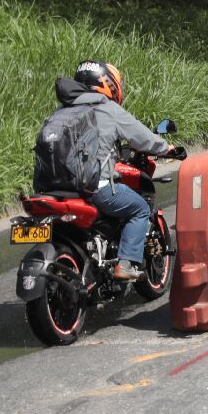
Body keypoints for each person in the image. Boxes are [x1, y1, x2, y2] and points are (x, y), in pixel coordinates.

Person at [35, 62, 182, 281]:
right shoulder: (105, 107)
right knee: (139, 209)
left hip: (51, 189)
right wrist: (168, 148)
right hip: (93, 188)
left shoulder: (62, 110)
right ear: (108, 84)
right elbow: (142, 137)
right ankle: (126, 264)